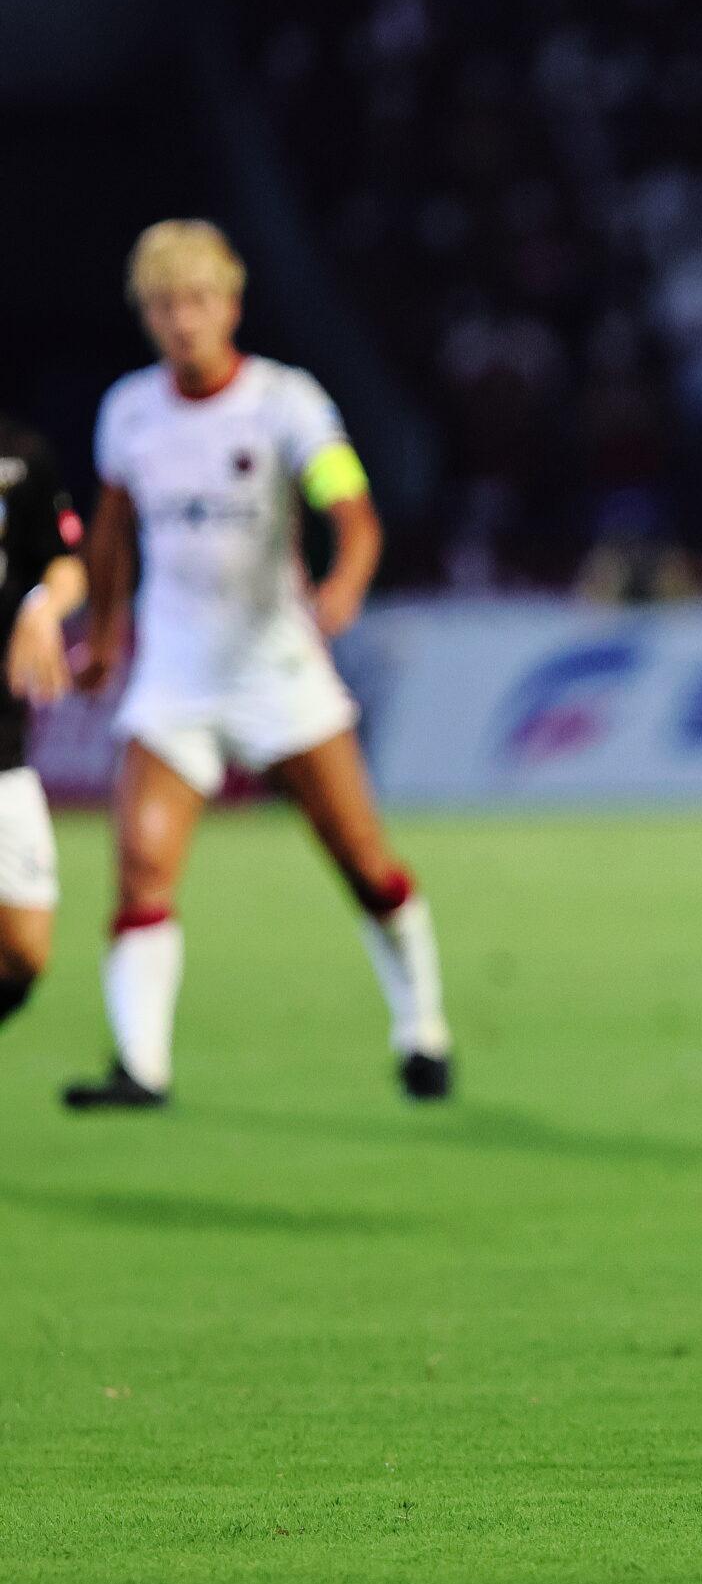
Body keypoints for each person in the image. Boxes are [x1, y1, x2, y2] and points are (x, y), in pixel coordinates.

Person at [65, 220, 453, 1109]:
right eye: (164, 306)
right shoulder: (129, 411)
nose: (182, 321)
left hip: (279, 670)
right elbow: (115, 533)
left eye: (197, 301)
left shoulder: (286, 403)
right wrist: (107, 633)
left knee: (361, 858)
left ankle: (421, 1027)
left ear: (231, 304)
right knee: (142, 868)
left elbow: (350, 510)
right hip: (176, 677)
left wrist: (346, 580)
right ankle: (141, 1067)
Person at [0, 415, 91, 1037]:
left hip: (4, 747)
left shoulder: (21, 455)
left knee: (25, 953)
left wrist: (41, 605)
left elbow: (66, 565)